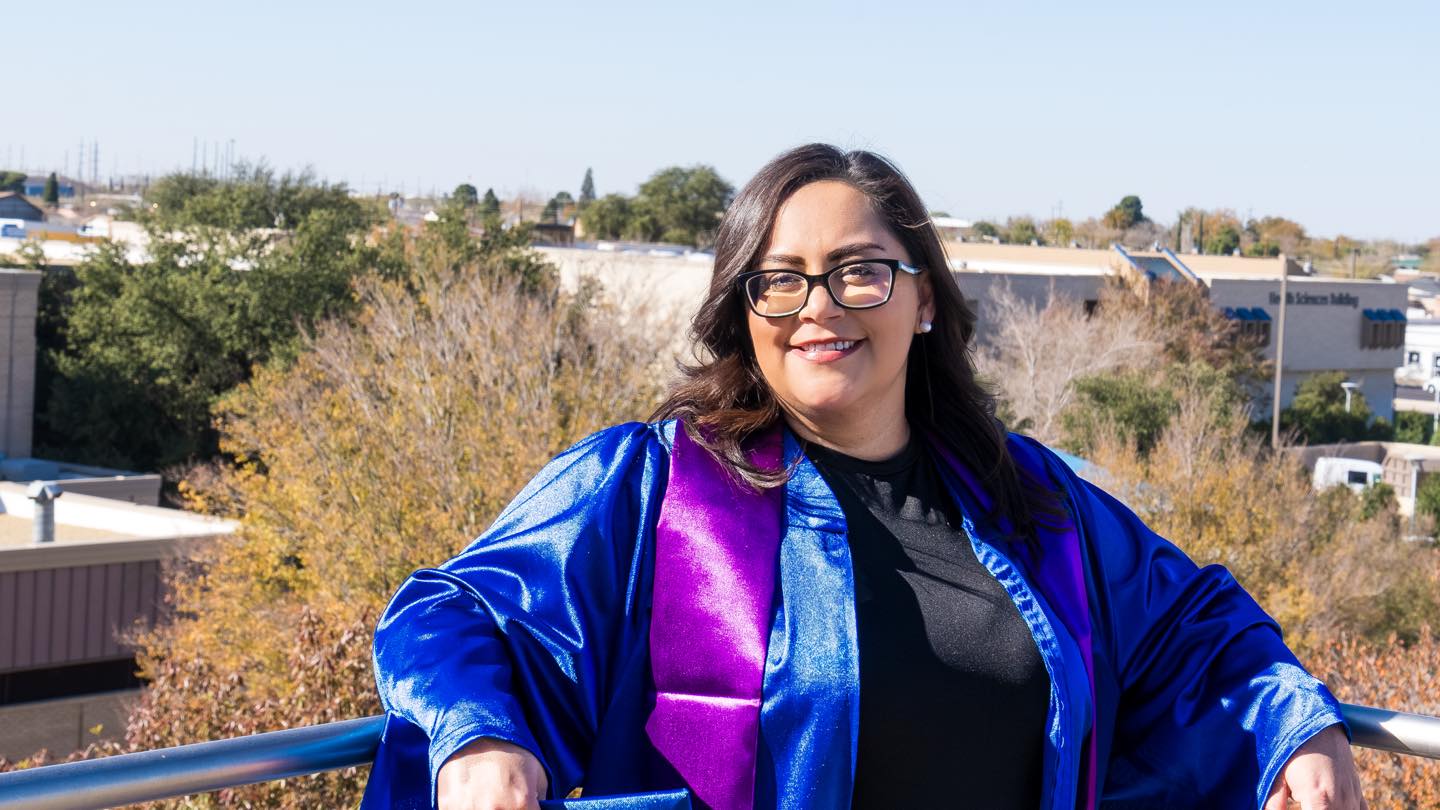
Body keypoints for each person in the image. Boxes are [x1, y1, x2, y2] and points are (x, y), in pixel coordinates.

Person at [361, 144, 1366, 810]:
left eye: (860, 269)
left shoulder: (1035, 506)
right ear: (742, 309)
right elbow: (450, 614)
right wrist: (478, 738)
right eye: (779, 277)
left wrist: (1295, 728)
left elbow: (1198, 631)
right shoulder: (649, 488)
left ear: (923, 298)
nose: (819, 306)